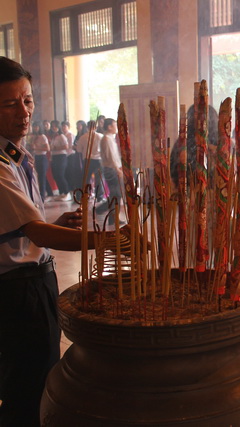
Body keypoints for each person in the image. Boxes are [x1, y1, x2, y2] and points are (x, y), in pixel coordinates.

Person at [0, 56, 101, 426]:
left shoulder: (16, 157)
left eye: (27, 100)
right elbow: (37, 233)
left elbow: (22, 229)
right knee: (28, 388)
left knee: (39, 375)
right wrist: (107, 240)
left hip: (33, 283)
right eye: (9, 104)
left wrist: (55, 224)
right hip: (17, 292)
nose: (24, 112)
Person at [99, 118, 123, 226]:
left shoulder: (109, 138)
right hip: (111, 169)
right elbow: (111, 156)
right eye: (115, 125)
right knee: (116, 194)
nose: (116, 127)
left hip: (113, 168)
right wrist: (117, 169)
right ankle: (112, 217)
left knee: (116, 194)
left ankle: (111, 216)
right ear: (109, 127)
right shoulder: (106, 139)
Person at [75, 120, 104, 201]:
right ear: (96, 127)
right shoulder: (101, 136)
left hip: (87, 160)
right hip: (98, 160)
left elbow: (79, 150)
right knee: (99, 179)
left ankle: (84, 195)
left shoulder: (83, 137)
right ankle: (99, 197)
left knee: (86, 179)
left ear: (87, 127)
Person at [50, 120, 72, 201]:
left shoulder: (61, 136)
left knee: (60, 175)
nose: (54, 128)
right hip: (54, 157)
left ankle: (67, 192)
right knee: (55, 175)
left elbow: (66, 146)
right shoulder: (54, 137)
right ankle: (61, 192)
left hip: (61, 157)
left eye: (55, 126)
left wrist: (56, 148)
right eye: (52, 126)